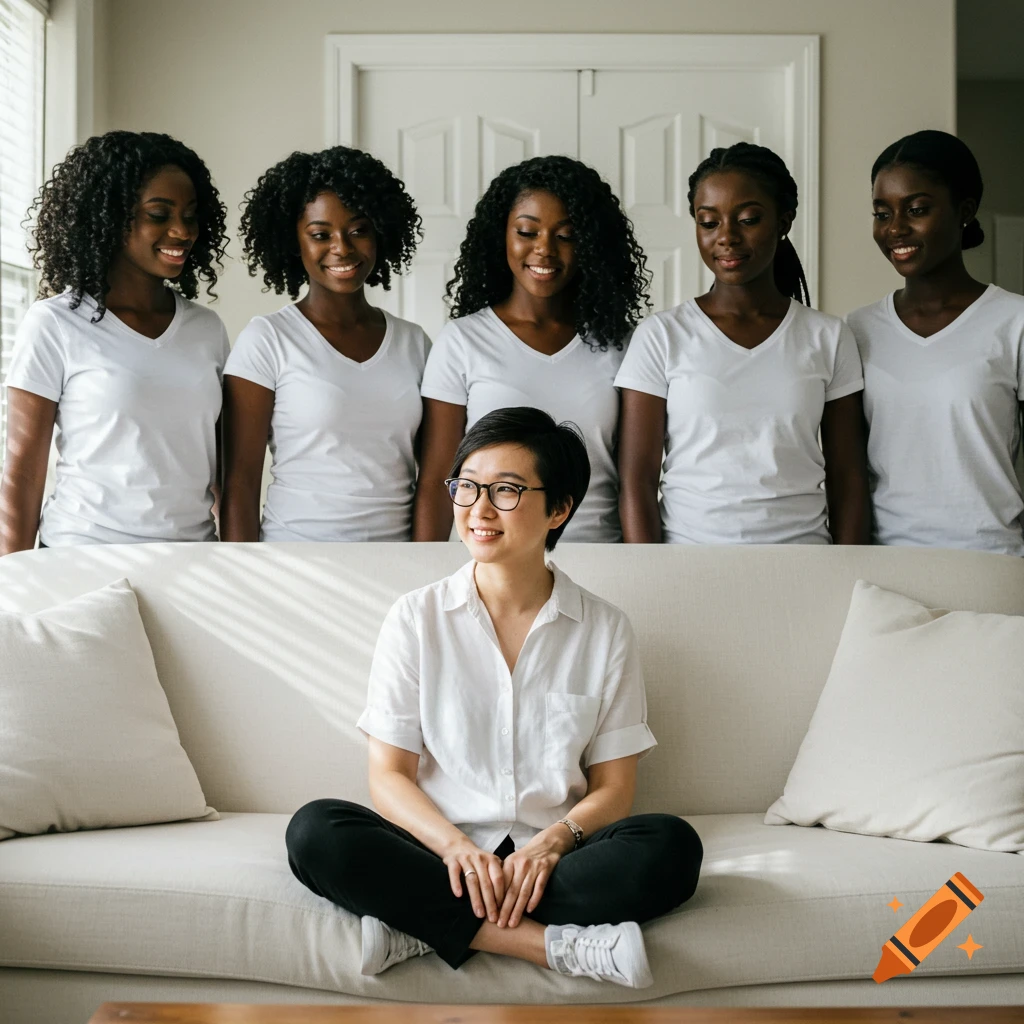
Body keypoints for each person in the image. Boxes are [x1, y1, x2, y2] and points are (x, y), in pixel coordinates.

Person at [286, 407, 702, 986]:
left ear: (559, 508)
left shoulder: (605, 630)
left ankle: (420, 925)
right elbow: (389, 777)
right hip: (437, 855)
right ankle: (549, 947)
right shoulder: (415, 619)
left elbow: (615, 788)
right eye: (467, 487)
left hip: (554, 863)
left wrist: (554, 842)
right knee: (315, 831)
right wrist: (456, 849)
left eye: (505, 490)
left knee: (671, 846)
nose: (478, 510)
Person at [616, 142, 869, 545]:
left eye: (748, 219)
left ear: (784, 221)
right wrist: (649, 574)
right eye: (709, 222)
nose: (727, 237)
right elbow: (636, 480)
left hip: (804, 562)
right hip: (688, 562)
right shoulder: (662, 336)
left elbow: (848, 477)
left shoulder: (828, 336)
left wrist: (848, 574)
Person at [0, 131, 230, 554]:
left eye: (191, 215)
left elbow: (222, 472)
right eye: (159, 214)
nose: (182, 231)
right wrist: (11, 584)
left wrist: (236, 560)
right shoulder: (55, 323)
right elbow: (23, 474)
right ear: (106, 217)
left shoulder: (207, 329)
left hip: (193, 562)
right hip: (80, 558)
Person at [413, 156, 649, 543]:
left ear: (590, 243)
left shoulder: (622, 344)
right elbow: (437, 480)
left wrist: (644, 563)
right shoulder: (462, 341)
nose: (545, 250)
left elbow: (634, 479)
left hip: (600, 555)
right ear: (501, 235)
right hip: (489, 562)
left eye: (566, 235)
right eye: (527, 231)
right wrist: (426, 576)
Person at [221, 147, 428, 542]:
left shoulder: (413, 343)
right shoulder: (268, 340)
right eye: (320, 235)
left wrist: (426, 562)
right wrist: (241, 580)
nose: (342, 248)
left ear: (381, 231)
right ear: (293, 240)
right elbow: (240, 482)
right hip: (295, 561)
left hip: (396, 564)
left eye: (358, 230)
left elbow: (434, 476)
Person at [846, 130, 1024, 555]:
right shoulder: (857, 329)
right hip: (886, 568)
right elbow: (847, 469)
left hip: (992, 562)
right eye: (882, 213)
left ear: (964, 211)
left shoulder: (1014, 321)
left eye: (917, 209)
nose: (896, 229)